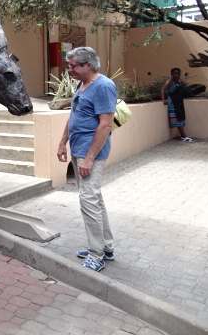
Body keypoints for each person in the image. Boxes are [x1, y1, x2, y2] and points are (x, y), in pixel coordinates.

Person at [57, 47, 117, 272]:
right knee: (95, 200)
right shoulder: (82, 85)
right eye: (69, 65)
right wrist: (63, 143)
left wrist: (89, 159)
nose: (69, 69)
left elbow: (106, 125)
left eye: (73, 66)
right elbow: (74, 115)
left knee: (88, 202)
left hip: (90, 153)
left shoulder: (103, 86)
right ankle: (106, 247)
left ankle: (96, 255)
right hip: (78, 150)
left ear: (88, 65)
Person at [160, 67, 193, 142]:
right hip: (173, 102)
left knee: (180, 117)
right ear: (172, 74)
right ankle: (184, 136)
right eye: (175, 74)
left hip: (178, 102)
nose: (176, 75)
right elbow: (163, 89)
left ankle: (183, 136)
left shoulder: (177, 82)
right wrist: (163, 99)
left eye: (178, 74)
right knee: (177, 118)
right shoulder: (170, 81)